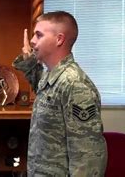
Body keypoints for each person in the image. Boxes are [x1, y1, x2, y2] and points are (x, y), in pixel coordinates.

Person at [12, 11, 107, 176]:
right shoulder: (52, 75)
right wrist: (29, 59)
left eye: (39, 35)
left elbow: (87, 158)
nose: (33, 41)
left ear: (59, 39)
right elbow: (46, 91)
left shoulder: (75, 85)